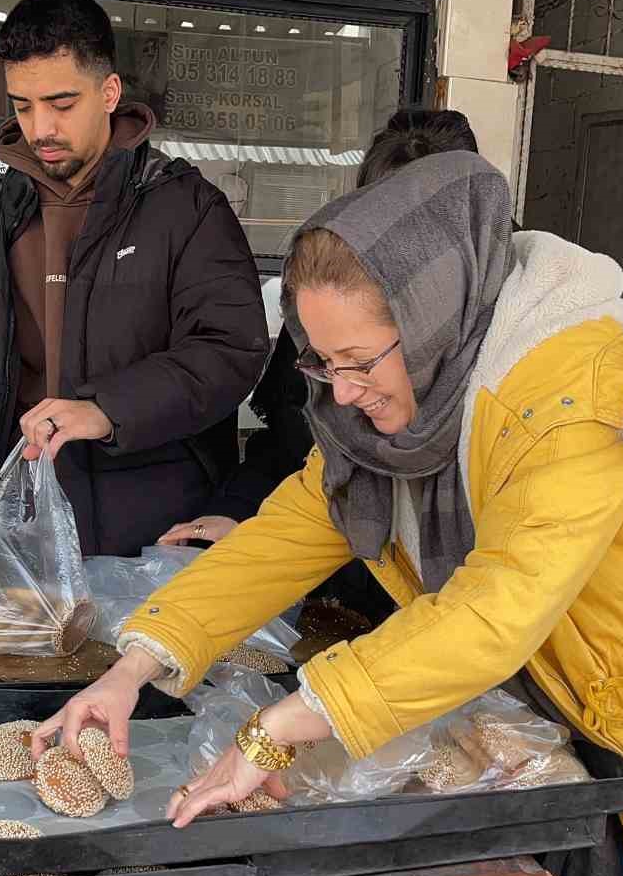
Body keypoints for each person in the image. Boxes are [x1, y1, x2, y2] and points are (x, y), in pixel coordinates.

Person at [34, 153, 623, 876]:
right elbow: (290, 529)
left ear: (435, 322)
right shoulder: (397, 417)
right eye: (320, 362)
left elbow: (494, 611)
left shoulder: (574, 401)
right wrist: (136, 664)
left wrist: (280, 727)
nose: (341, 392)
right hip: (598, 739)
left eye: (359, 361)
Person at [0, 0, 268, 556]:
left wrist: (107, 409)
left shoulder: (185, 208)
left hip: (151, 518)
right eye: (23, 106)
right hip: (7, 513)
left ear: (109, 93)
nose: (40, 128)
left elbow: (229, 350)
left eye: (61, 103)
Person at [158, 109, 480, 627]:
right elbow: (297, 454)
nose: (346, 392)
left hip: (470, 638)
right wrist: (239, 516)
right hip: (340, 605)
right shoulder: (325, 317)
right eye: (332, 366)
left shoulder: (518, 354)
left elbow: (514, 594)